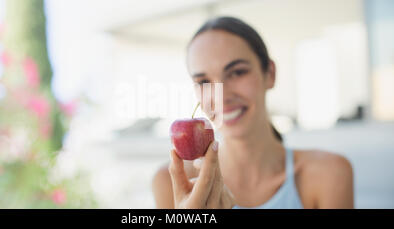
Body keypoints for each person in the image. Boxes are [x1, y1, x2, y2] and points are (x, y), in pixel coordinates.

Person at [152, 16, 354, 209]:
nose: (221, 97)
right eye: (204, 82)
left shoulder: (329, 174)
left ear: (270, 74)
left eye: (237, 72)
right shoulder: (171, 183)